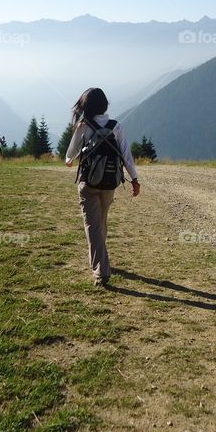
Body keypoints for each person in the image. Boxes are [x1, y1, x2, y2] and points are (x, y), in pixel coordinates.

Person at [65, 87, 140, 286]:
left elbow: (70, 154)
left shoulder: (83, 125)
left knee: (93, 226)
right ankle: (101, 261)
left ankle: (101, 271)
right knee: (101, 223)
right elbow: (126, 156)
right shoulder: (116, 126)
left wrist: (69, 160)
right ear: (105, 105)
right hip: (110, 183)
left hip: (87, 182)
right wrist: (134, 179)